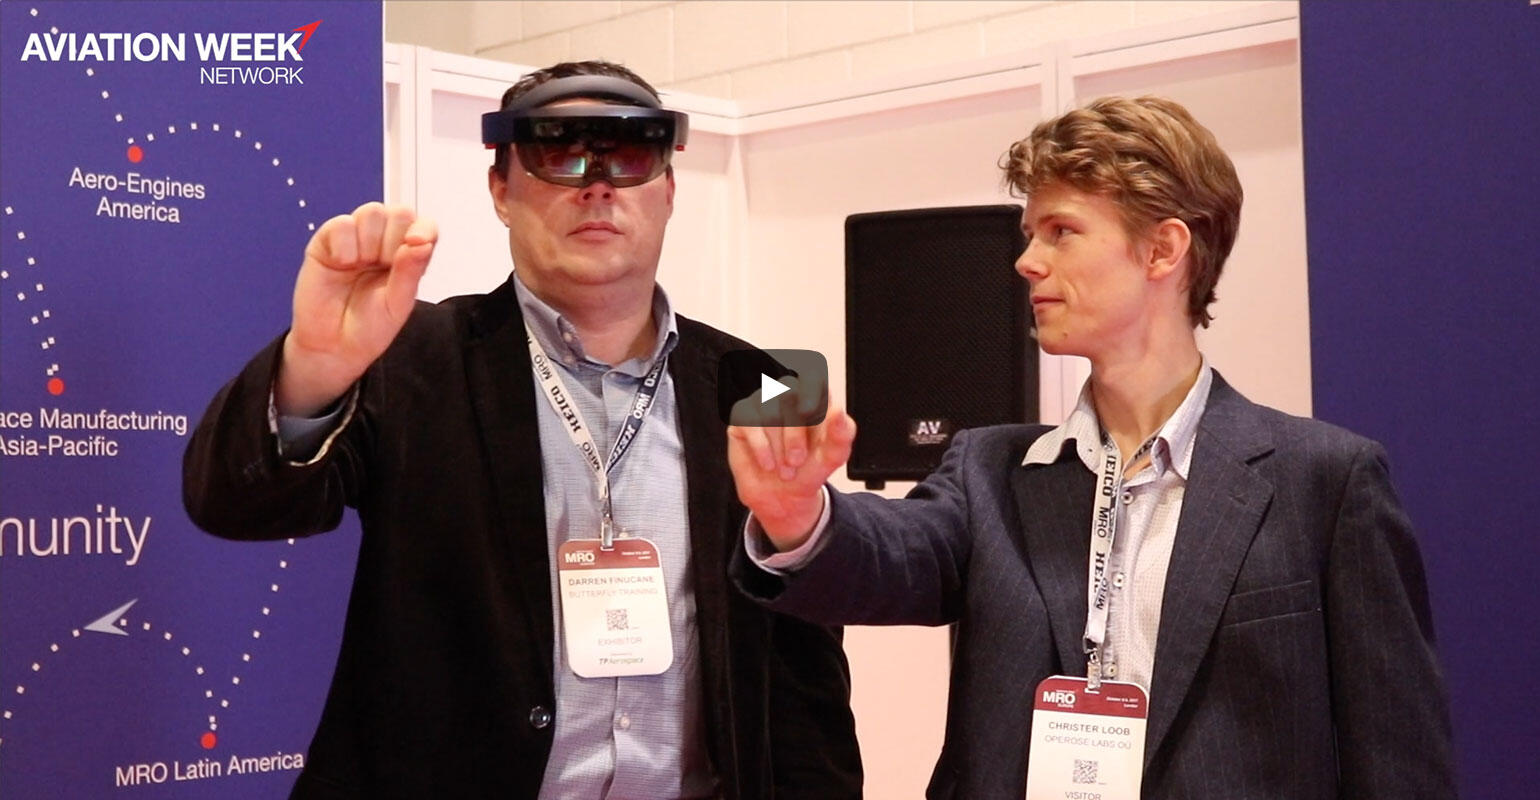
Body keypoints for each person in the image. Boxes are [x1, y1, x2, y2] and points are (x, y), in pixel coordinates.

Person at [727, 96, 1456, 798]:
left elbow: (1397, 760)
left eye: (1061, 231)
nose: (1026, 261)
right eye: (1030, 233)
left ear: (1163, 249)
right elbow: (890, 557)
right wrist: (797, 514)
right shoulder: (989, 471)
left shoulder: (1323, 480)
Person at [183, 60, 862, 799]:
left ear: (669, 190)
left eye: (629, 154)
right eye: (558, 152)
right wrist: (313, 369)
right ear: (501, 190)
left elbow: (804, 667)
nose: (596, 184)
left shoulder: (762, 384)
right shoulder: (409, 357)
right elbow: (233, 503)